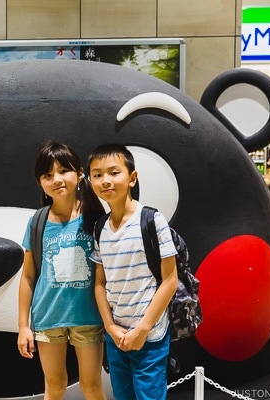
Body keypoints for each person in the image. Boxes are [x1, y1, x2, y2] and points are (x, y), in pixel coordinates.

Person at [87, 143, 178, 400]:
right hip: (116, 336)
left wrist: (142, 330)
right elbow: (99, 284)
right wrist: (109, 327)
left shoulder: (152, 221)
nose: (105, 180)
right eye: (97, 174)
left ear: (132, 178)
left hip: (150, 335)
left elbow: (170, 280)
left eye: (114, 172)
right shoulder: (100, 228)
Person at [17, 140, 107, 400]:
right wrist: (23, 326)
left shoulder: (94, 218)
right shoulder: (37, 222)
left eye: (63, 171)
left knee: (92, 386)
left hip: (88, 317)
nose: (56, 179)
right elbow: (28, 276)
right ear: (40, 183)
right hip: (48, 317)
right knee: (54, 385)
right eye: (47, 175)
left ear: (79, 174)